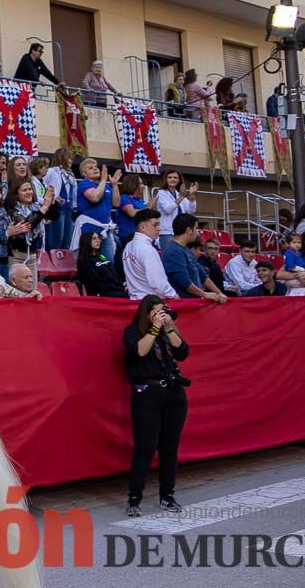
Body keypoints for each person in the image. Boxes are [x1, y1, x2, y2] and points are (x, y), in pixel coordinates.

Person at [124, 295, 190, 516]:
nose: (162, 314)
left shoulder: (167, 331)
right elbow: (139, 352)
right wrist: (154, 329)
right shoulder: (133, 331)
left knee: (169, 448)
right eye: (157, 311)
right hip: (147, 393)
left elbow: (183, 352)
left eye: (164, 310)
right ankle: (135, 498)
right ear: (147, 313)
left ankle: (167, 496)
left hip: (173, 392)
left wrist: (170, 328)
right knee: (145, 447)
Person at [161, 214, 227, 303]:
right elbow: (184, 282)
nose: (197, 233)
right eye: (196, 229)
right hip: (184, 305)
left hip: (194, 301)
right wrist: (205, 294)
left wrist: (220, 293)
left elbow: (202, 274)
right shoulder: (173, 251)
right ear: (189, 230)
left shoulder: (185, 249)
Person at [5, 178, 56, 279]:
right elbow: (28, 225)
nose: (29, 192)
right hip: (17, 256)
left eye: (30, 189)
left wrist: (51, 202)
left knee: (33, 291)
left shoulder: (36, 206)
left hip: (32, 255)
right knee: (19, 292)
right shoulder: (12, 210)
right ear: (16, 194)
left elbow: (53, 216)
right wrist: (45, 206)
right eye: (24, 190)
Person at [122, 209, 178, 300]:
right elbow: (157, 282)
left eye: (159, 225)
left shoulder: (128, 246)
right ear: (142, 227)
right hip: (152, 303)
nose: (159, 228)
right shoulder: (147, 250)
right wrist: (173, 295)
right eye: (155, 225)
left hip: (135, 300)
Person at [72, 157, 121, 260]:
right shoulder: (84, 184)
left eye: (96, 167)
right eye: (91, 168)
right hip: (89, 229)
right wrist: (103, 180)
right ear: (84, 173)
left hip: (104, 231)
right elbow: (94, 198)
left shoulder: (105, 186)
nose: (95, 169)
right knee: (91, 260)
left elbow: (116, 203)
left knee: (108, 261)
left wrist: (115, 185)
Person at [43, 148, 77, 252]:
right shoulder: (52, 171)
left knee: (67, 240)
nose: (70, 161)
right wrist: (52, 196)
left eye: (71, 159)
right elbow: (41, 184)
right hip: (58, 209)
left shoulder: (71, 174)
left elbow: (73, 192)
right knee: (57, 238)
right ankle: (52, 261)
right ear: (61, 158)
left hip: (68, 210)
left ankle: (63, 263)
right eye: (68, 158)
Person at [77, 230, 127, 297]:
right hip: (100, 293)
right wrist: (119, 288)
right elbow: (95, 283)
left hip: (113, 289)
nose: (98, 241)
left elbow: (113, 275)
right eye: (94, 238)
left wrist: (121, 285)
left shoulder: (101, 256)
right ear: (86, 241)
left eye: (98, 238)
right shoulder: (84, 260)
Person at [156, 169, 196, 249]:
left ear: (179, 180)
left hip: (181, 233)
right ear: (166, 180)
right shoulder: (161, 193)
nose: (172, 179)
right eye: (169, 177)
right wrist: (181, 197)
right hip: (167, 232)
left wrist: (192, 197)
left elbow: (190, 211)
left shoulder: (179, 194)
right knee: (169, 257)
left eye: (175, 177)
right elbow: (167, 209)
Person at [114, 174, 154, 252]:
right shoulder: (124, 197)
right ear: (133, 184)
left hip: (140, 236)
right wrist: (148, 208)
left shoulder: (140, 200)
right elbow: (132, 213)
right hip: (127, 236)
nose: (143, 186)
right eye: (140, 183)